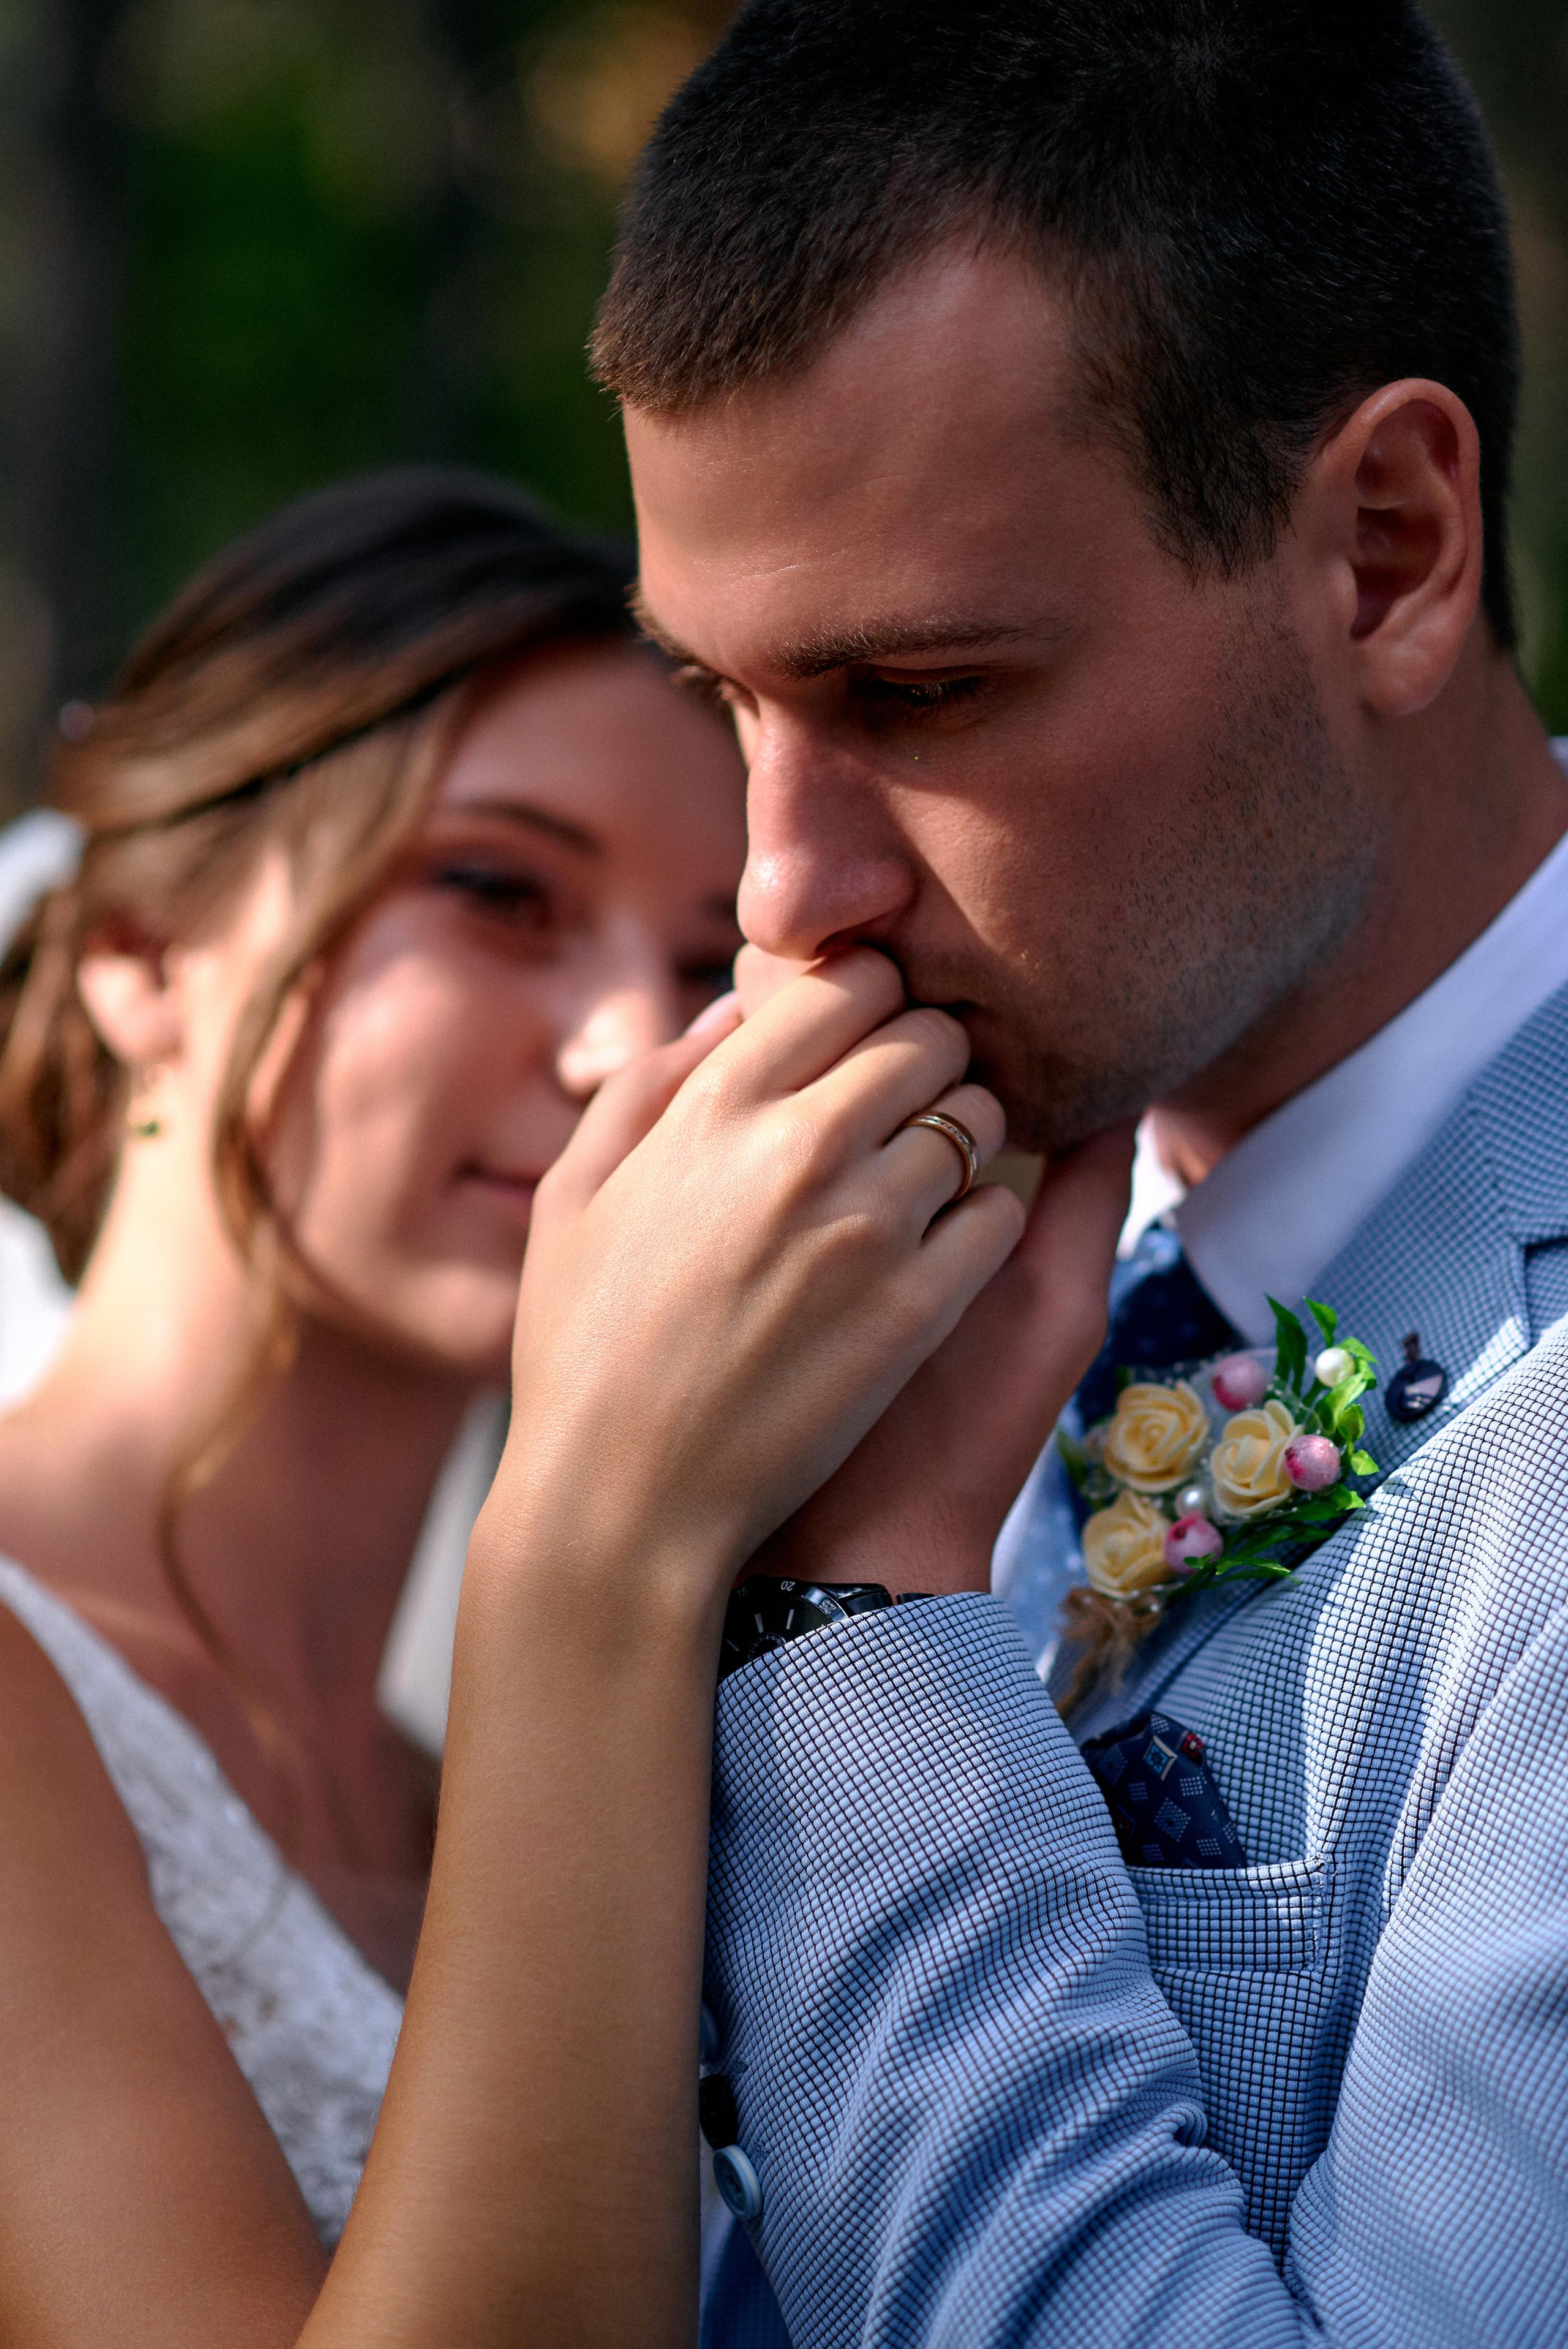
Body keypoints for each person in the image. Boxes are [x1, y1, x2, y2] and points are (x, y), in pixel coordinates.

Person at [561, 0, 1568, 2339]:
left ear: (1389, 554)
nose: (778, 893)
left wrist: (866, 1631)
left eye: (920, 696)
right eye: (725, 698)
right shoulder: (931, 1242)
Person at [0, 461, 767, 2318]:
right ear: (139, 955)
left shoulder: (548, 1785)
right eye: (501, 891)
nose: (630, 1049)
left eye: (709, 958)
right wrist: (612, 1545)